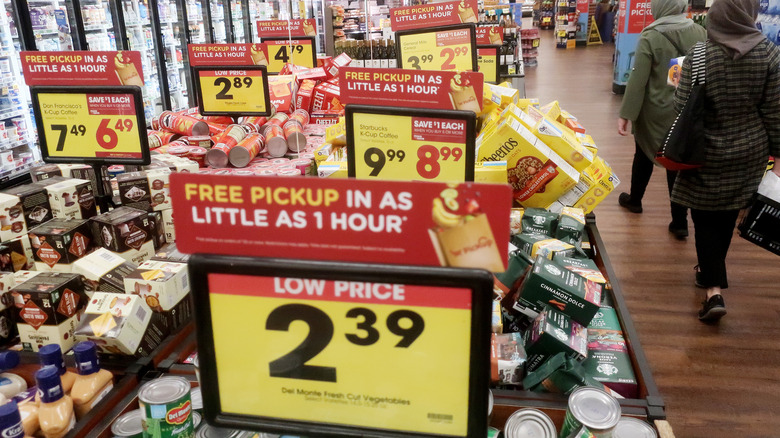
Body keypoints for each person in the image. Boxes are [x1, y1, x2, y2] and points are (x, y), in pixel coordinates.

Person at [671, 0, 780, 322]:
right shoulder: (770, 55)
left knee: (704, 218)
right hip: (750, 151)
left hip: (704, 151)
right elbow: (775, 112)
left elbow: (681, 106)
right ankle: (710, 271)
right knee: (728, 215)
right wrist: (777, 154)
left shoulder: (700, 55)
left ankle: (713, 289)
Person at [617, 0, 706, 239]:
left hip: (654, 110)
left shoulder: (651, 36)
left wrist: (626, 114)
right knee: (675, 162)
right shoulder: (698, 31)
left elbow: (638, 80)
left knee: (644, 153)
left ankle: (635, 200)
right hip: (686, 109)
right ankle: (679, 222)